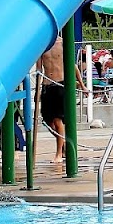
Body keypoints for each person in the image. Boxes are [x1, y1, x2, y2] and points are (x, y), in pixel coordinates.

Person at [39, 34, 86, 165]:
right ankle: (63, 142)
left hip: (60, 84)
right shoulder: (42, 44)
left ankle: (59, 153)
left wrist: (82, 85)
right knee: (47, 121)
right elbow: (38, 69)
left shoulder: (63, 43)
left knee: (57, 120)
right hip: (47, 85)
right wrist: (38, 90)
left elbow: (73, 65)